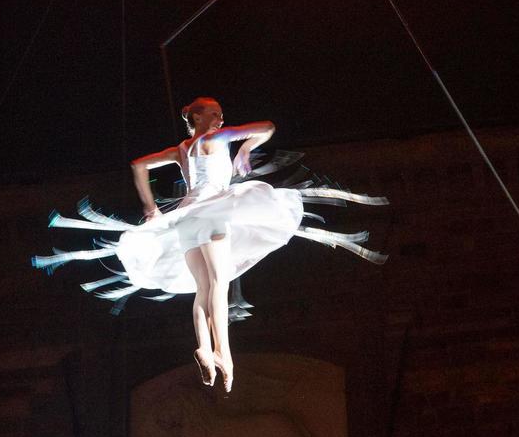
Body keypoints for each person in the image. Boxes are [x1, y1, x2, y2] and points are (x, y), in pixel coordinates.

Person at [32, 97, 386, 392]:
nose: (220, 118)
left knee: (202, 288)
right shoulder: (217, 138)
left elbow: (138, 165)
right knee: (219, 283)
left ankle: (203, 347)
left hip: (186, 217)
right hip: (214, 210)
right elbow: (267, 127)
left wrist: (150, 207)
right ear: (197, 118)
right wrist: (245, 147)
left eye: (220, 114)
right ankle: (224, 357)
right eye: (213, 113)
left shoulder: (181, 149)